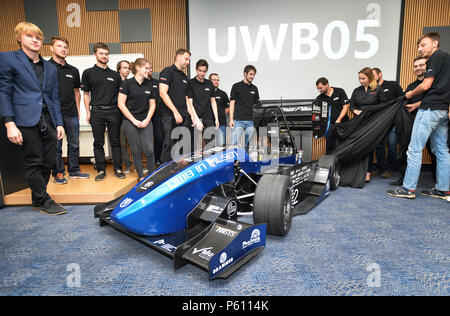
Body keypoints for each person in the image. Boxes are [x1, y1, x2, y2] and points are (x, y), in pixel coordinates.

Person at [0, 22, 66, 215]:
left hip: (49, 119)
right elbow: (3, 92)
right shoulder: (8, 59)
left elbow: (54, 97)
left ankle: (38, 197)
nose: (35, 40)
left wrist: (59, 122)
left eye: (38, 37)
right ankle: (44, 199)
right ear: (19, 38)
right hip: (24, 119)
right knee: (33, 160)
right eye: (30, 36)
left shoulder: (50, 67)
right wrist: (9, 123)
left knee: (49, 162)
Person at [387, 32, 450, 200]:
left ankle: (408, 189)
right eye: (419, 46)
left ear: (435, 43)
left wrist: (410, 94)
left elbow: (426, 84)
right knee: (442, 150)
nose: (420, 49)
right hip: (443, 110)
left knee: (414, 149)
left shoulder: (436, 57)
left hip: (429, 110)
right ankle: (443, 189)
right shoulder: (448, 59)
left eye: (423, 45)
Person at [49, 36, 90, 184]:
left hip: (71, 112)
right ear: (51, 48)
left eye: (65, 47)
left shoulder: (73, 70)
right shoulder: (46, 68)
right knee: (56, 146)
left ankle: (74, 171)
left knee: (74, 144)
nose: (63, 49)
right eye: (59, 46)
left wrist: (78, 109)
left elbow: (76, 92)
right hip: (53, 114)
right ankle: (58, 173)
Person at [82, 42, 125, 181]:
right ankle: (101, 170)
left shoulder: (115, 75)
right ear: (95, 55)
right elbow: (86, 94)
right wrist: (88, 112)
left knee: (115, 142)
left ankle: (118, 168)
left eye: (106, 54)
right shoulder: (88, 73)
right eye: (101, 53)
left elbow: (121, 96)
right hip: (97, 113)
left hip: (114, 112)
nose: (104, 56)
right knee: (98, 142)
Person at [389, 56, 428, 186]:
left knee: (435, 151)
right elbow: (404, 102)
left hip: (430, 121)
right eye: (416, 66)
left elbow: (434, 100)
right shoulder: (411, 86)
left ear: (427, 66)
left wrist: (417, 105)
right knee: (406, 150)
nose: (418, 68)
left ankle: (439, 182)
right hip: (411, 123)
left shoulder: (432, 84)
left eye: (421, 65)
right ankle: (403, 178)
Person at [118, 58, 156, 181]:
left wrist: (147, 119)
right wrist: (134, 121)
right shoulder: (127, 84)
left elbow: (153, 105)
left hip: (146, 121)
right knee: (136, 150)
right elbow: (121, 104)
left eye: (149, 68)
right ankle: (141, 176)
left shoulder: (149, 85)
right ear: (138, 68)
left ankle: (152, 176)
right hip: (130, 122)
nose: (148, 70)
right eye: (146, 68)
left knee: (149, 149)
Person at [349, 67, 383, 183]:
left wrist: (370, 111)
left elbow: (383, 105)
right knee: (358, 146)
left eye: (363, 78)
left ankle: (368, 172)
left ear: (370, 77)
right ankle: (357, 171)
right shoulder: (356, 91)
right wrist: (356, 111)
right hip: (358, 122)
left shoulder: (378, 89)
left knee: (368, 147)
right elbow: (351, 106)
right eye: (359, 79)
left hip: (371, 122)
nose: (361, 81)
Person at [159, 49, 193, 162]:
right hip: (169, 116)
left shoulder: (184, 77)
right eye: (186, 59)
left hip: (183, 116)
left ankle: (179, 172)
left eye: (189, 60)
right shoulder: (167, 71)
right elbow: (163, 93)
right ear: (178, 57)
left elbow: (186, 98)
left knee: (183, 146)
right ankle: (165, 173)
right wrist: (175, 111)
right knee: (169, 144)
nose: (188, 62)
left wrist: (192, 116)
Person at [371, 68, 404, 178]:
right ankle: (381, 167)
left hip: (393, 121)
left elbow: (402, 99)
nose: (372, 78)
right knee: (379, 145)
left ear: (380, 74)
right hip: (379, 121)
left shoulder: (392, 85)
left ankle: (390, 168)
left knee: (392, 144)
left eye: (373, 75)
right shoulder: (373, 89)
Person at [187, 59, 219, 150]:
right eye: (200, 71)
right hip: (195, 118)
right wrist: (197, 120)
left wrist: (216, 118)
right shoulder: (190, 83)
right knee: (195, 146)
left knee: (211, 145)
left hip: (208, 118)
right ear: (196, 70)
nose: (202, 73)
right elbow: (190, 103)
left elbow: (213, 101)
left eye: (204, 71)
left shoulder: (209, 83)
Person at [315, 77, 350, 154]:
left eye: (321, 88)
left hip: (343, 123)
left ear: (327, 84)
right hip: (329, 125)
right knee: (330, 147)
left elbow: (346, 106)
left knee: (343, 146)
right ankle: (330, 164)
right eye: (318, 89)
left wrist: (339, 119)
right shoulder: (319, 98)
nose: (319, 90)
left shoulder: (339, 91)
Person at [229, 65, 260, 149]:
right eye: (250, 74)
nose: (252, 76)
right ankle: (232, 162)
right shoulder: (236, 86)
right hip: (238, 120)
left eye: (253, 75)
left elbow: (256, 105)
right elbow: (231, 104)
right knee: (234, 145)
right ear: (245, 73)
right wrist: (231, 120)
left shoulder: (255, 88)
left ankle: (241, 160)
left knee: (245, 146)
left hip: (250, 121)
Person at [116, 60, 132, 173]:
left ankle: (136, 165)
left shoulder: (131, 83)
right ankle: (126, 165)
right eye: (124, 68)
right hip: (118, 116)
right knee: (122, 142)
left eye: (128, 68)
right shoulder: (115, 82)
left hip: (130, 116)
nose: (127, 70)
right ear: (119, 69)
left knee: (134, 142)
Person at [210, 73, 230, 147]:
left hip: (221, 123)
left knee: (221, 145)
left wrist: (221, 113)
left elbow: (228, 107)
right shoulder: (206, 93)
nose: (216, 82)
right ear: (210, 81)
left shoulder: (223, 94)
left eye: (218, 80)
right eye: (214, 80)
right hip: (209, 123)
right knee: (210, 146)